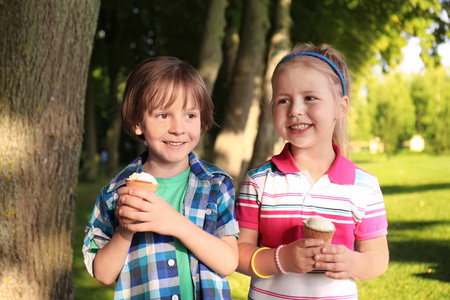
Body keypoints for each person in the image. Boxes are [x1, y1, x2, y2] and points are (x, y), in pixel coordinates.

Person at [235, 43, 389, 299]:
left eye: (309, 98)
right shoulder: (259, 181)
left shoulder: (364, 187)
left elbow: (378, 257)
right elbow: (237, 253)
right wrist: (281, 258)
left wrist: (353, 263)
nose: (295, 110)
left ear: (341, 107)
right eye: (283, 100)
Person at [83, 57, 239, 300]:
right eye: (163, 115)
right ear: (137, 123)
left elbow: (229, 262)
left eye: (190, 115)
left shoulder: (217, 185)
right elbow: (103, 274)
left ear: (202, 119)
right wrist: (125, 231)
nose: (178, 128)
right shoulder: (116, 192)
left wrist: (175, 223)